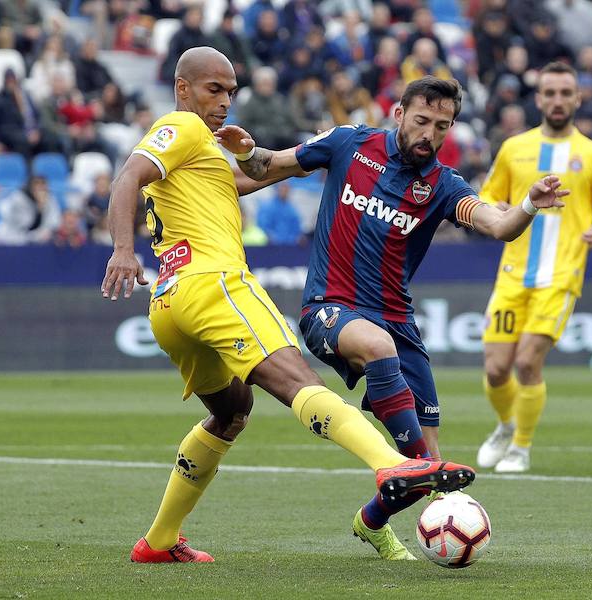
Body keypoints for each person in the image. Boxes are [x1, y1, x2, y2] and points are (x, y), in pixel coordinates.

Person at [101, 47, 477, 564]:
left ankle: (159, 542)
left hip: (169, 303)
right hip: (214, 282)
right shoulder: (182, 128)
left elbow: (250, 179)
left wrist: (275, 156)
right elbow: (127, 177)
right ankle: (391, 464)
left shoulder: (200, 154)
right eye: (215, 90)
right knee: (300, 381)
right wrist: (123, 249)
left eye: (231, 91)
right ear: (182, 88)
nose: (225, 102)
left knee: (231, 412)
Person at [215, 76, 568, 559]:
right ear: (398, 114)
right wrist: (247, 149)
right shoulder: (349, 143)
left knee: (429, 469)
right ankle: (419, 467)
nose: (430, 133)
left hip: (398, 322)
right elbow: (267, 166)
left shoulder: (444, 185)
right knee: (423, 458)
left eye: (442, 126)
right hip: (329, 308)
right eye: (422, 121)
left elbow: (500, 225)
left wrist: (528, 203)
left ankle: (371, 521)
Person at [474, 61, 592, 473]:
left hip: (561, 275)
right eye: (550, 93)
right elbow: (488, 194)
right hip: (512, 274)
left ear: (578, 98)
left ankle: (521, 446)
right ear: (538, 99)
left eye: (565, 93)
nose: (558, 100)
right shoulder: (513, 148)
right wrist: (497, 205)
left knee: (527, 362)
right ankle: (506, 424)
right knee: (495, 368)